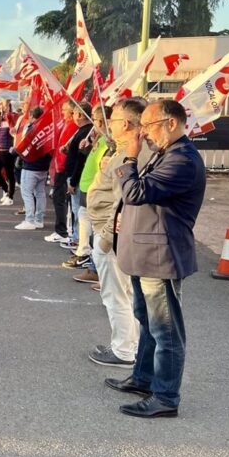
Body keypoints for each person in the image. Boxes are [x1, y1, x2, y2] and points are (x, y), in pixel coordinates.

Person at [105, 99, 206, 419]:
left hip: (160, 256)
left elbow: (135, 192)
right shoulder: (167, 153)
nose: (144, 133)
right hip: (145, 253)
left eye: (148, 126)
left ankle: (165, 396)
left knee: (166, 331)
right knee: (146, 320)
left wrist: (130, 156)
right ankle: (143, 377)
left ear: (171, 123)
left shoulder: (183, 160)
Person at [86, 99, 151, 367]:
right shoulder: (129, 150)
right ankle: (130, 346)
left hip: (112, 237)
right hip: (115, 234)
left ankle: (123, 350)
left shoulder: (131, 155)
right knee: (126, 294)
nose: (108, 124)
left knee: (116, 295)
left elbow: (121, 203)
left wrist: (104, 239)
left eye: (112, 119)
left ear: (125, 124)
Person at [72, 105, 113, 285]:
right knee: (86, 223)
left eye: (95, 120)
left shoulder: (110, 142)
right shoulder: (100, 138)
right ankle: (92, 264)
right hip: (88, 187)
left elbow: (105, 167)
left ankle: (96, 269)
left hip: (96, 190)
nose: (94, 124)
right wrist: (87, 147)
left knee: (97, 231)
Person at [62, 102, 94, 268]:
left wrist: (73, 181)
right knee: (78, 212)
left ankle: (79, 242)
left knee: (79, 212)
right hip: (78, 177)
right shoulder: (82, 132)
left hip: (80, 179)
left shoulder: (87, 133)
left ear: (80, 115)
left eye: (74, 113)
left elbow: (81, 160)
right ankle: (78, 240)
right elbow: (77, 154)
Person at [42, 102, 77, 244]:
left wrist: (60, 167)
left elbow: (65, 151)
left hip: (63, 169)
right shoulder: (67, 124)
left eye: (64, 110)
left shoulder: (72, 126)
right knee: (60, 199)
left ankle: (62, 231)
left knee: (60, 199)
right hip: (60, 167)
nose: (62, 112)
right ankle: (63, 230)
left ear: (72, 111)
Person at [14, 107, 51, 230]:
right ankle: (39, 220)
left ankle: (29, 220)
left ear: (31, 116)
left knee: (27, 193)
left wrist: (16, 152)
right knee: (40, 193)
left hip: (30, 166)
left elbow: (25, 145)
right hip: (43, 166)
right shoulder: (47, 129)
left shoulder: (32, 129)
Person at [0, 99, 18, 206]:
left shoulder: (13, 117)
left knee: (10, 174)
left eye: (5, 106)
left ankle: (10, 196)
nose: (3, 108)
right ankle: (6, 190)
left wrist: (8, 118)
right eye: (1, 106)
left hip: (8, 150)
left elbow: (13, 131)